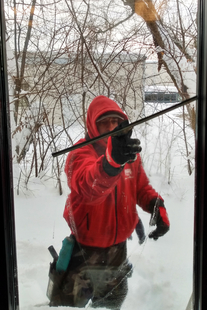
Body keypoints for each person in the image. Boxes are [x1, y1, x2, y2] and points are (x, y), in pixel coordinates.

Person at [61, 95, 170, 309]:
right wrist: (112, 163)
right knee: (71, 305)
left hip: (118, 251)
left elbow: (141, 188)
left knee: (112, 303)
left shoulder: (129, 155)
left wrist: (157, 207)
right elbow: (88, 185)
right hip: (85, 251)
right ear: (93, 126)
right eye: (104, 122)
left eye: (115, 121)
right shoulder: (79, 154)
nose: (111, 127)